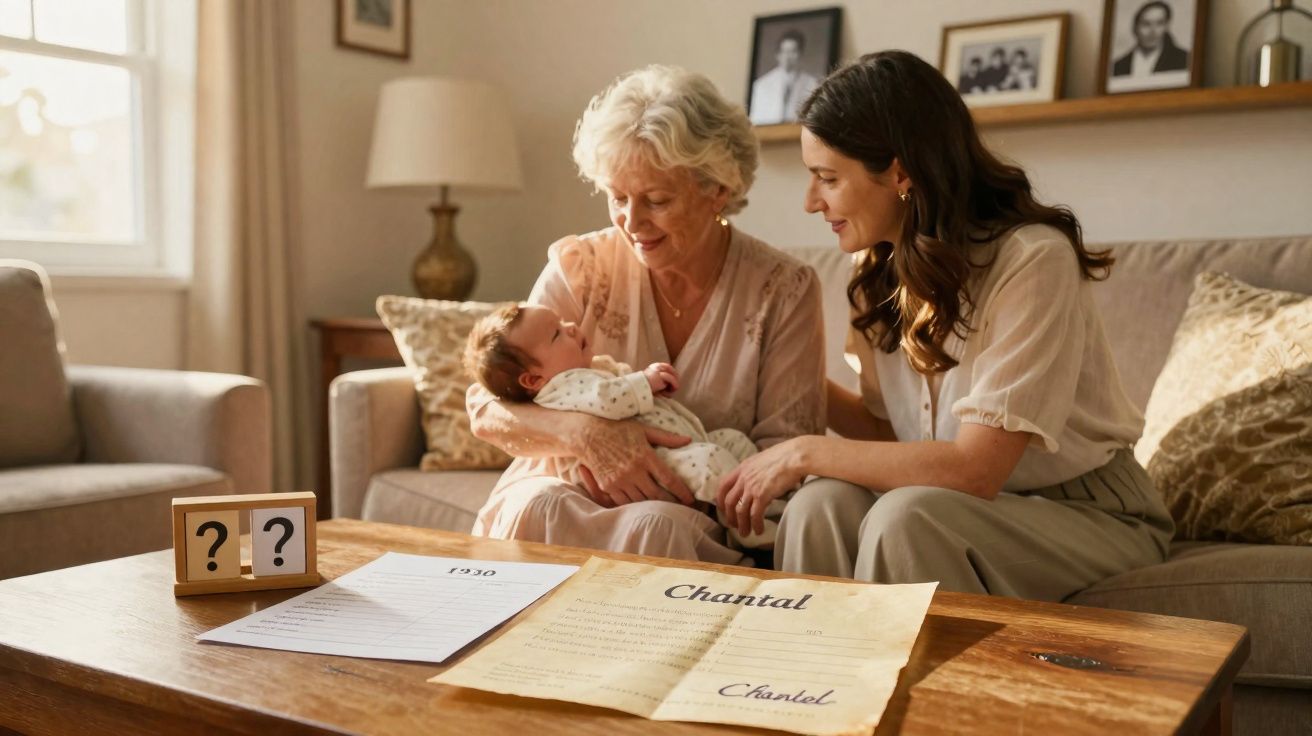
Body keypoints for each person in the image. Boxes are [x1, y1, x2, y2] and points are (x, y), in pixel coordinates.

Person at [716, 50, 1174, 601]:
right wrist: (782, 372)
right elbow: (892, 435)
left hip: (1089, 513)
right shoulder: (876, 268)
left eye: (827, 178)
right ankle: (817, 661)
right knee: (820, 505)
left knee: (907, 519)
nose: (811, 202)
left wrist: (804, 452)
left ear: (900, 172)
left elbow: (975, 468)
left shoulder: (1033, 260)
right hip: (955, 503)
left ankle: (914, 665)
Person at [466, 65, 825, 566]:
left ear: (718, 189)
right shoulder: (581, 267)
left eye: (656, 200)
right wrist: (588, 437)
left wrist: (690, 484)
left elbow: (783, 453)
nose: (631, 222)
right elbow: (486, 408)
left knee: (655, 525)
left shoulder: (783, 290)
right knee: (539, 504)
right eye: (617, 198)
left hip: (694, 507)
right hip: (565, 487)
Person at [463, 303, 780, 548]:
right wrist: (646, 381)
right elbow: (607, 398)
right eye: (557, 334)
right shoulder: (561, 386)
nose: (570, 326)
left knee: (732, 441)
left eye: (561, 322)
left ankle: (774, 500)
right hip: (658, 458)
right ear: (533, 379)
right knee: (711, 464)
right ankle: (754, 529)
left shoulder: (586, 370)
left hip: (684, 440)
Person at [749, 30, 820, 124]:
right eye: (784, 51)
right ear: (778, 54)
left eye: (793, 51)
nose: (787, 56)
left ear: (800, 53)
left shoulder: (812, 84)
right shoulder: (761, 85)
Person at [1112, 1, 1189, 77]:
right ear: (1135, 28)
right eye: (1146, 24)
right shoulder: (1117, 67)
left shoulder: (1184, 60)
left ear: (1166, 26)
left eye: (1159, 23)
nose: (1153, 31)